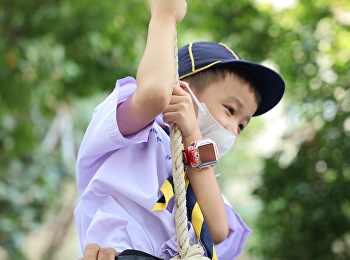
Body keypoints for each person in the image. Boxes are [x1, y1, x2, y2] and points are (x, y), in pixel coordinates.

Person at [74, 0, 285, 259]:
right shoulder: (135, 130)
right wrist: (164, 15)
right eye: (230, 109)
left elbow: (216, 229)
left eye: (242, 125)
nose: (233, 128)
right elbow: (154, 95)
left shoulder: (200, 178)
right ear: (182, 89)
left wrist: (193, 135)